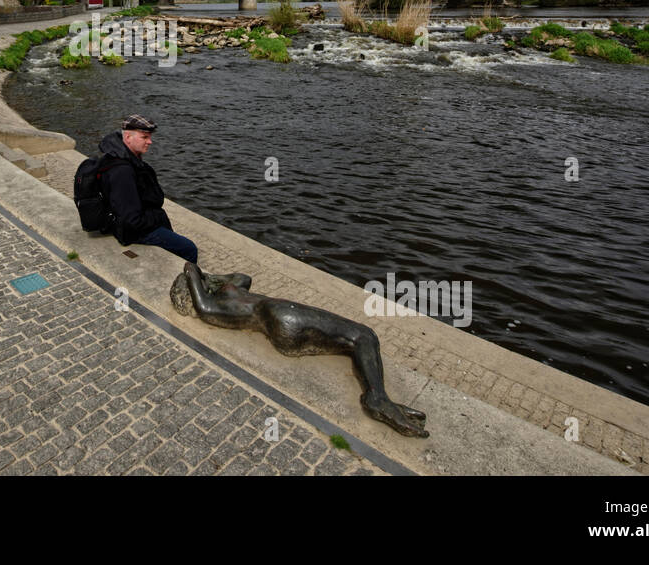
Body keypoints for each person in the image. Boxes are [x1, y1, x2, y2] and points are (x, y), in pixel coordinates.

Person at [170, 263, 429, 437]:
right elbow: (201, 300)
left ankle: (378, 395)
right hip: (281, 319)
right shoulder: (216, 304)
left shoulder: (229, 292)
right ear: (195, 293)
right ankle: (376, 399)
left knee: (359, 337)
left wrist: (206, 279)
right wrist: (195, 274)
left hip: (280, 317)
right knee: (361, 335)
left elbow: (243, 277)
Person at [97, 115, 198, 263]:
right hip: (130, 231)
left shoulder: (121, 155)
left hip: (133, 219)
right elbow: (131, 219)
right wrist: (157, 218)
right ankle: (187, 282)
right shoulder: (122, 171)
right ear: (128, 137)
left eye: (149, 137)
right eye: (144, 137)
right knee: (189, 248)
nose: (150, 142)